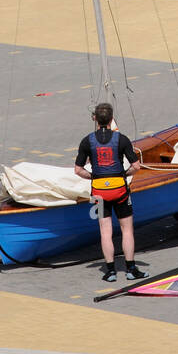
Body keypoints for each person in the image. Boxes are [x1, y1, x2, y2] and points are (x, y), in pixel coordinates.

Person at [75, 103, 143, 282]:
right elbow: (136, 166)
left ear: (95, 119)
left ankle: (110, 271)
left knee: (105, 232)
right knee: (127, 230)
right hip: (119, 189)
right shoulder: (122, 139)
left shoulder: (86, 141)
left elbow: (78, 170)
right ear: (112, 119)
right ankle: (131, 269)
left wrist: (93, 176)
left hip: (98, 192)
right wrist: (123, 174)